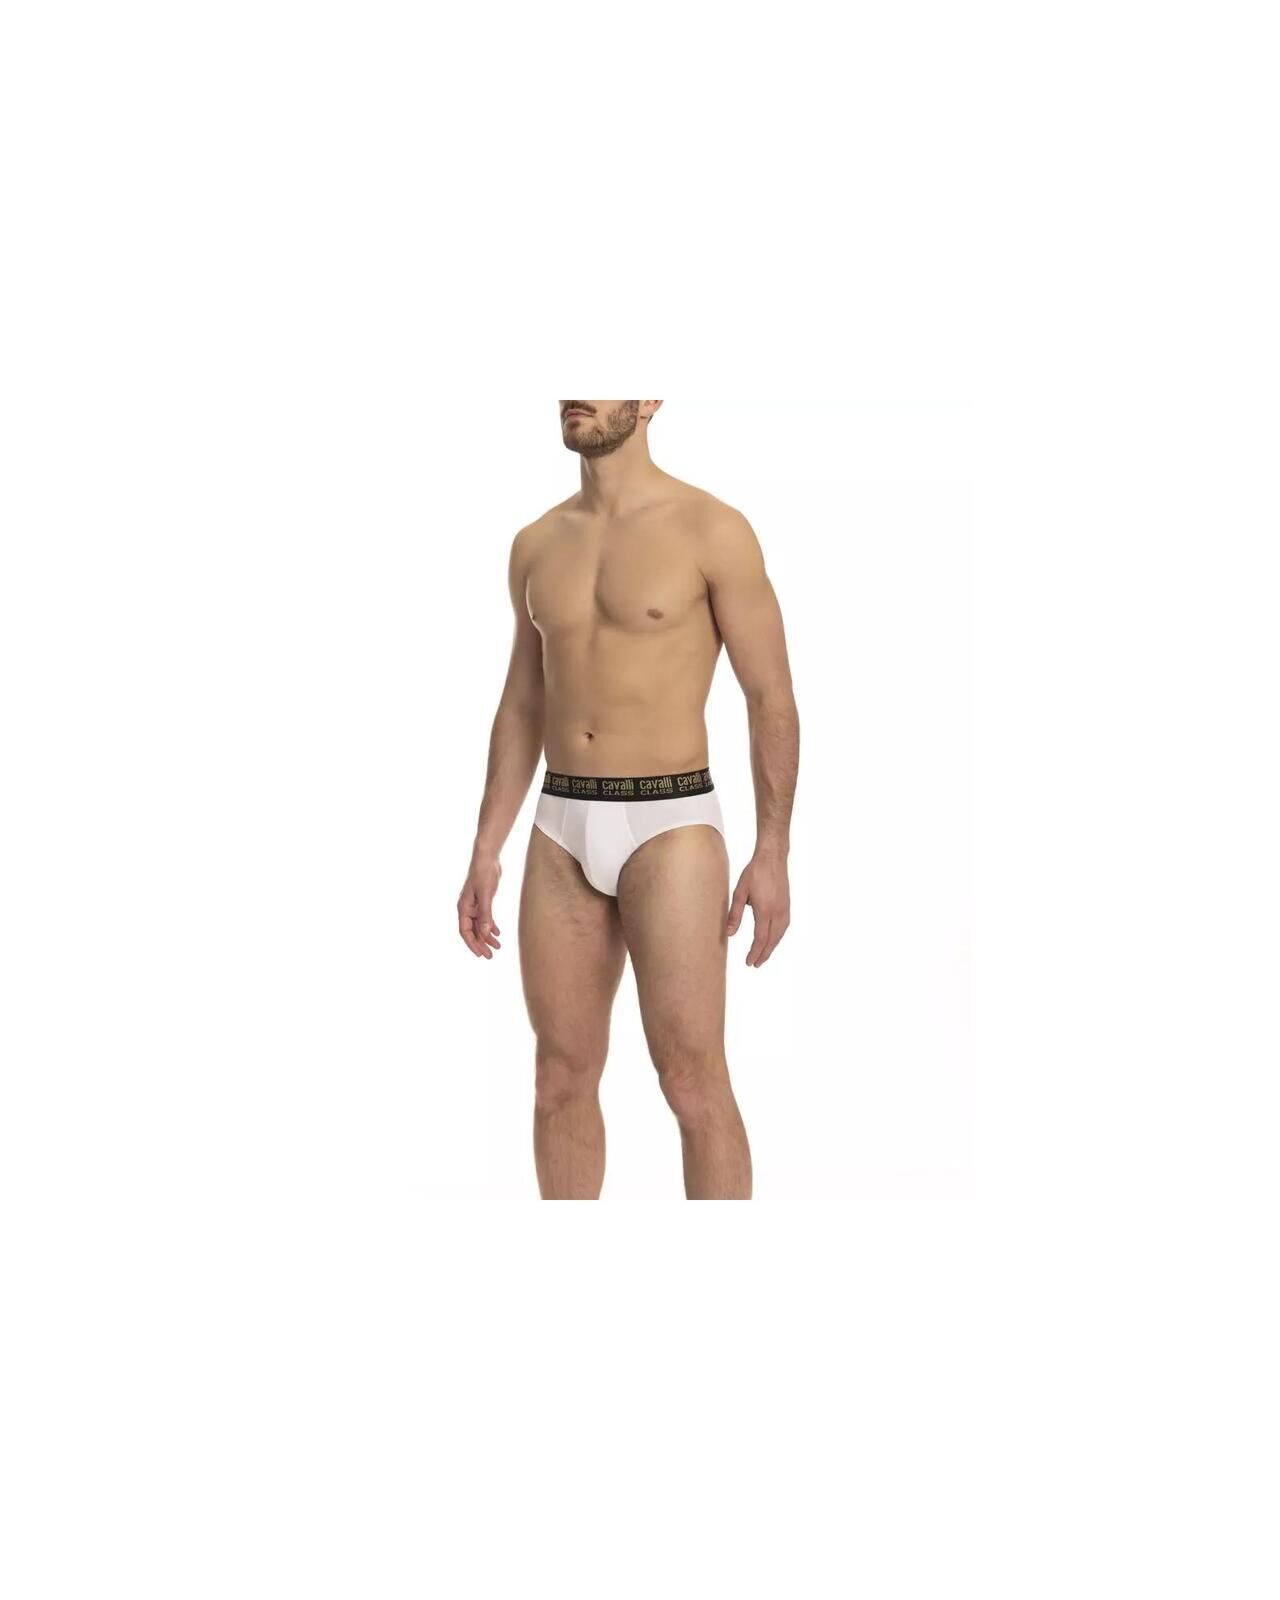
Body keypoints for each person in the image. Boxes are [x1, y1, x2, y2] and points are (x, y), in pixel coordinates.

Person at [458, 401, 799, 1199]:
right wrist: (486, 846)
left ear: (649, 400)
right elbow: (523, 703)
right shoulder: (537, 543)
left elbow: (770, 697)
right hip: (560, 825)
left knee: (691, 1079)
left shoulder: (712, 530)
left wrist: (773, 849)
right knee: (559, 1078)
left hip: (670, 824)